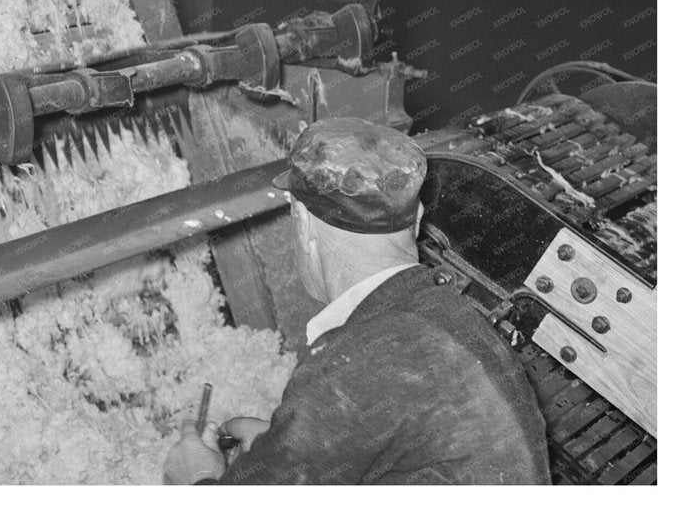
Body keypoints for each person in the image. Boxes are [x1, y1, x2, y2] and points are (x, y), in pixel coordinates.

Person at [164, 117, 550, 485]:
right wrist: (295, 450)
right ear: (416, 219)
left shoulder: (352, 368)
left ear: (302, 222)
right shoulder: (455, 315)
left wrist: (197, 478)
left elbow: (364, 390)